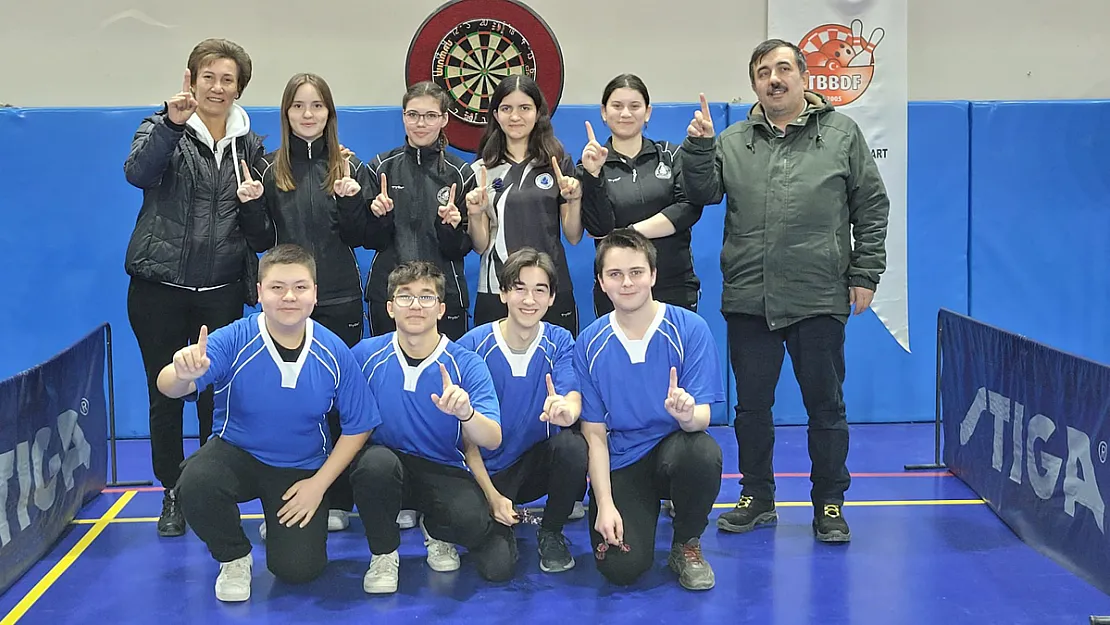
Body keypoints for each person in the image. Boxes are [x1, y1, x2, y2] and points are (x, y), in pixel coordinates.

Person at [681, 39, 890, 543]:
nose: (773, 79)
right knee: (751, 408)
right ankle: (756, 497)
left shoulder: (842, 134)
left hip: (819, 296)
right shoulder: (732, 140)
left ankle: (830, 503)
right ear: (754, 83)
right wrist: (700, 146)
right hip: (749, 298)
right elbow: (701, 193)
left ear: (803, 77)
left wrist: (865, 273)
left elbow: (872, 206)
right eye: (762, 72)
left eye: (782, 70)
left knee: (826, 406)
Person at [158, 244, 380, 602]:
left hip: (300, 469)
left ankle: (281, 527)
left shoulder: (334, 350)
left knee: (299, 571)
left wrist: (319, 485)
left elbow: (360, 425)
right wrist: (181, 372)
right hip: (237, 454)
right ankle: (234, 557)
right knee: (196, 482)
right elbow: (168, 385)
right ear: (259, 293)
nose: (289, 296)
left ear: (314, 294)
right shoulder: (234, 337)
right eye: (277, 287)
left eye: (300, 287)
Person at [123, 38, 271, 538]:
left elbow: (263, 236)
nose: (217, 87)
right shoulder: (159, 126)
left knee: (214, 393)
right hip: (158, 287)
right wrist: (171, 124)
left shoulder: (251, 145)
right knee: (165, 391)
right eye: (208, 76)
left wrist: (253, 204)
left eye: (227, 79)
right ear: (190, 79)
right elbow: (137, 173)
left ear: (238, 89)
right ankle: (171, 489)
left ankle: (206, 487)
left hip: (221, 290)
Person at [239, 72, 368, 538]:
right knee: (290, 403)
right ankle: (289, 496)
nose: (308, 114)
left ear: (329, 114)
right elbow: (260, 242)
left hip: (340, 299)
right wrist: (251, 206)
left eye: (316, 106)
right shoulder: (272, 171)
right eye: (299, 106)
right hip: (287, 307)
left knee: (339, 405)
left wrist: (354, 202)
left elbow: (363, 238)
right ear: (287, 113)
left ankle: (340, 498)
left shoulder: (348, 167)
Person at [349, 261, 516, 594]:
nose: (415, 305)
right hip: (387, 465)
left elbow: (492, 439)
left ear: (440, 309)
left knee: (493, 556)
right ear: (389, 307)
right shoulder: (364, 355)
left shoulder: (465, 362)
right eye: (405, 296)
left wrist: (467, 413)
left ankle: (437, 529)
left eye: (426, 298)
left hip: (441, 467)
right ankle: (383, 553)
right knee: (374, 464)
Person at [574, 228, 724, 591]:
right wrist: (605, 503)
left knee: (702, 452)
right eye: (615, 274)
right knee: (621, 569)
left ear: (653, 275)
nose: (627, 283)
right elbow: (594, 434)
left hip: (675, 448)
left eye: (636, 272)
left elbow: (703, 417)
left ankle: (686, 542)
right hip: (624, 459)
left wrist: (688, 415)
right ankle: (633, 514)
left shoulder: (690, 328)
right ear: (601, 282)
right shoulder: (590, 343)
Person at [456, 247, 587, 574]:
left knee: (572, 446)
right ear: (503, 293)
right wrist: (491, 494)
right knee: (496, 569)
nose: (529, 299)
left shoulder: (559, 341)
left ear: (552, 298)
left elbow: (572, 393)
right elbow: (463, 437)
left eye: (540, 290)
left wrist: (567, 411)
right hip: (486, 472)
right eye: (519, 288)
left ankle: (552, 530)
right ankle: (452, 524)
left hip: (534, 465)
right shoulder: (473, 346)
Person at [578, 73, 704, 317]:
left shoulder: (670, 154)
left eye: (634, 106)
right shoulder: (589, 165)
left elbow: (688, 207)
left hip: (674, 283)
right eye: (617, 106)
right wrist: (593, 176)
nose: (626, 113)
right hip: (616, 289)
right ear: (604, 112)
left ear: (647, 112)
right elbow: (600, 228)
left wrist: (632, 232)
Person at [466, 75, 583, 336]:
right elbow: (481, 245)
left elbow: (573, 236)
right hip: (498, 289)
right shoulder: (481, 170)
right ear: (496, 115)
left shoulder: (559, 165)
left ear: (538, 113)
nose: (515, 117)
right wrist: (474, 215)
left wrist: (574, 201)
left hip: (550, 287)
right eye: (506, 108)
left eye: (525, 108)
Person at [360, 81, 474, 341]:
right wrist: (380, 219)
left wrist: (450, 228)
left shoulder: (460, 173)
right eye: (413, 115)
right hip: (389, 296)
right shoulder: (380, 167)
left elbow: (464, 247)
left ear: (444, 119)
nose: (421, 123)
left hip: (444, 296)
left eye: (430, 116)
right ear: (403, 117)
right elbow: (368, 240)